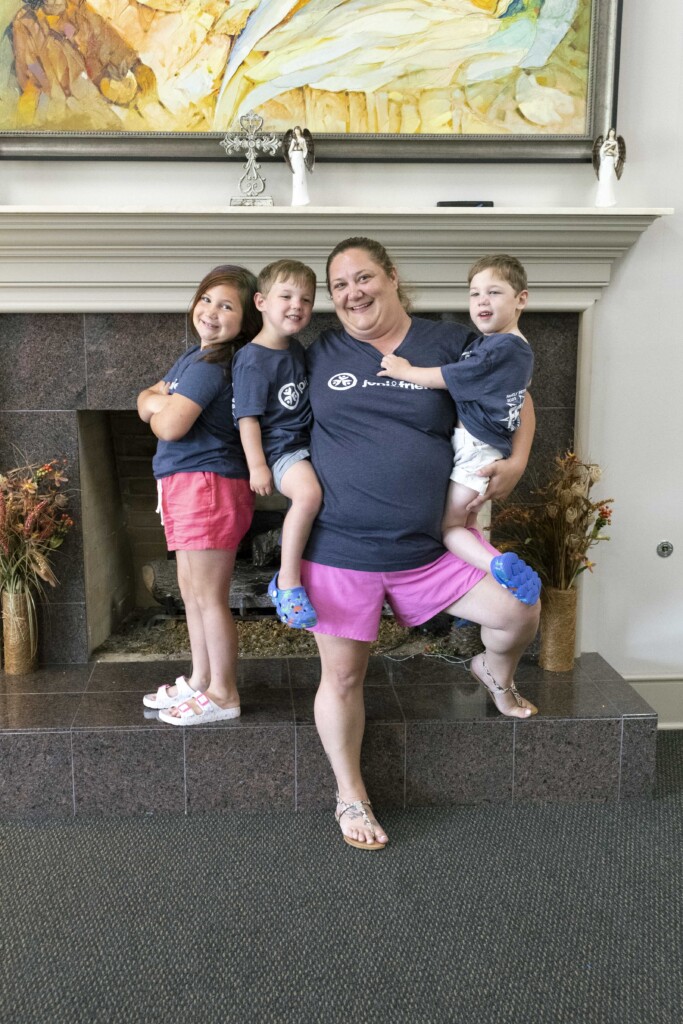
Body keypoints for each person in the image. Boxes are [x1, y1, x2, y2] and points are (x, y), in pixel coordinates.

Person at [301, 237, 540, 850]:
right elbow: (254, 391)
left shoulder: (449, 342)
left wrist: (516, 462)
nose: (353, 293)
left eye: (364, 278)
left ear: (391, 276)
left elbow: (517, 392)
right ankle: (349, 796)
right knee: (344, 678)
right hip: (340, 551)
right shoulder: (320, 351)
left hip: (427, 552)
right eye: (340, 286)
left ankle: (495, 672)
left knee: (519, 611)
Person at [377, 253, 540, 604]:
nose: (482, 301)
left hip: (477, 450)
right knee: (468, 525)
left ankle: (496, 565)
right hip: (485, 446)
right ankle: (483, 579)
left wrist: (404, 371)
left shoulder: (500, 349)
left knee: (450, 528)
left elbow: (444, 378)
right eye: (474, 293)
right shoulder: (503, 346)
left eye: (494, 293)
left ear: (521, 299)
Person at [137, 265, 261, 725]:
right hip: (186, 484)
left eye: (227, 306)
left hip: (207, 485)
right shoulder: (195, 357)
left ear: (246, 321)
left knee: (208, 596)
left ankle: (224, 694)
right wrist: (155, 401)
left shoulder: (215, 365)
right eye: (206, 299)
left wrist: (158, 406)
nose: (211, 312)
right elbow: (144, 396)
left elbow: (169, 422)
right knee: (192, 592)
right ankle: (201, 679)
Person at [232, 259, 322, 628]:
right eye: (285, 296)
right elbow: (247, 418)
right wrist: (257, 465)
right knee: (308, 496)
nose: (296, 305)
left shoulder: (296, 349)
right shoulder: (253, 359)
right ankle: (286, 581)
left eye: (306, 299)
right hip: (281, 450)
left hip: (308, 445)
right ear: (261, 302)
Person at [283, 127, 315, 207]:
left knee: (301, 177)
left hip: (300, 156)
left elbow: (305, 150)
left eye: (298, 131)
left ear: (300, 131)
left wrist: (302, 146)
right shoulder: (293, 140)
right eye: (295, 131)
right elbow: (289, 151)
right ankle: (296, 200)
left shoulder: (303, 140)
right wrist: (290, 157)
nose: (297, 132)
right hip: (295, 157)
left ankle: (303, 199)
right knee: (296, 177)